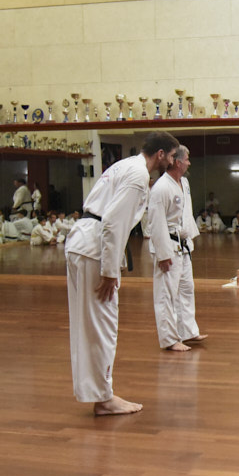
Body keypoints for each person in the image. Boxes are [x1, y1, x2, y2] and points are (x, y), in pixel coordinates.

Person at [65, 131, 179, 415]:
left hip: (82, 242)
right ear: (160, 154)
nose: (173, 162)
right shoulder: (138, 175)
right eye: (171, 156)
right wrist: (109, 271)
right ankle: (104, 398)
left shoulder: (124, 165)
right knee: (102, 324)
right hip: (94, 248)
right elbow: (113, 224)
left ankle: (98, 393)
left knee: (88, 325)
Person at [147, 144, 207, 352]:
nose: (189, 163)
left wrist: (190, 237)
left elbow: (186, 214)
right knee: (166, 294)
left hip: (183, 245)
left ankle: (187, 331)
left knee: (186, 289)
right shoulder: (161, 188)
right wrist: (163, 254)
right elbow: (156, 223)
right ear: (178, 162)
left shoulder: (184, 183)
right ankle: (170, 339)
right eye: (187, 159)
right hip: (168, 246)